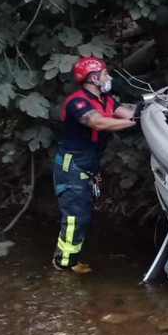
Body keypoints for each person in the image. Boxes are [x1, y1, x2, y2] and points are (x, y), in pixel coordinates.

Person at [53, 57, 137, 273]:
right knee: (75, 216)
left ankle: (68, 259)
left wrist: (148, 113)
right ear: (93, 78)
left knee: (82, 214)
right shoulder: (77, 102)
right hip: (71, 167)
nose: (109, 77)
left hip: (87, 166)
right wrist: (135, 121)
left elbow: (131, 114)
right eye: (105, 74)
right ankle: (64, 263)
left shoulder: (107, 100)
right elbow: (97, 122)